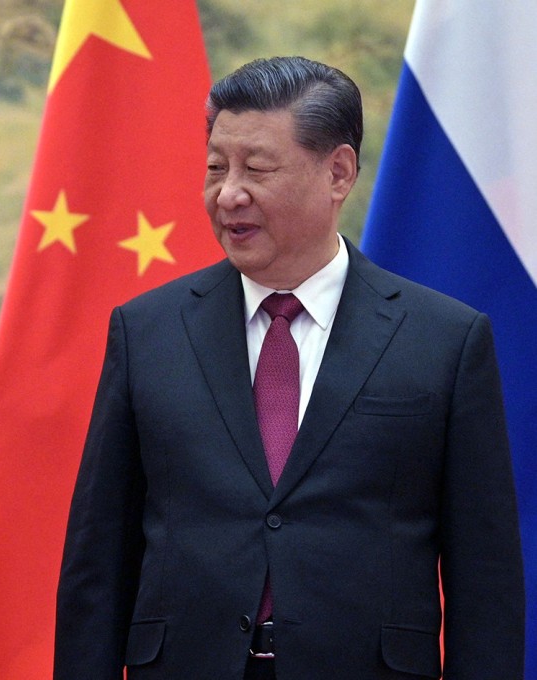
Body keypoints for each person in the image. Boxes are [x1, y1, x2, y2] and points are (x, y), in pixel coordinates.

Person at [54, 57, 524, 680]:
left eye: (258, 169)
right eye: (216, 168)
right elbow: (99, 559)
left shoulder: (444, 340)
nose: (228, 194)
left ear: (338, 172)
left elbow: (483, 577)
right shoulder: (148, 332)